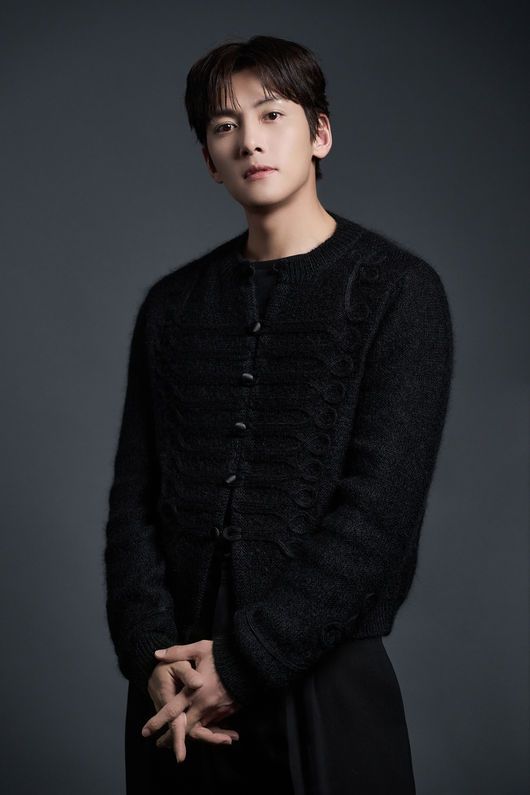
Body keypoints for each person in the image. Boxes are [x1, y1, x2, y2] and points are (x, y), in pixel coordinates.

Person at [104, 34, 454, 794]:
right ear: (209, 158)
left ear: (319, 133)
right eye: (224, 125)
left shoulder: (397, 292)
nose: (250, 140)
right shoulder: (172, 306)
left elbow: (379, 512)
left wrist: (245, 662)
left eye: (272, 114)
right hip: (177, 690)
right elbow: (134, 501)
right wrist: (149, 654)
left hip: (324, 678)